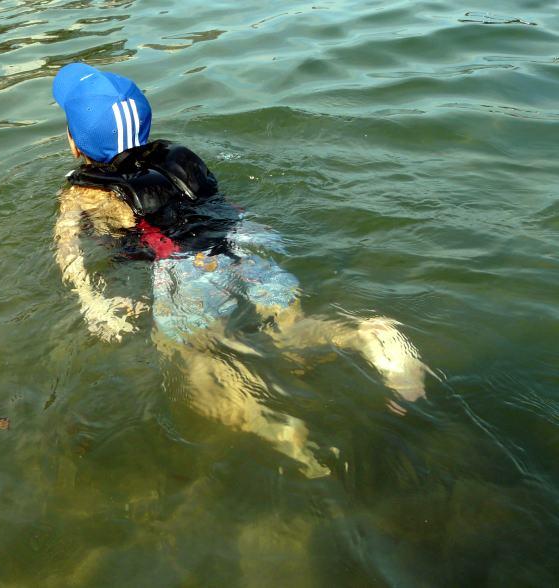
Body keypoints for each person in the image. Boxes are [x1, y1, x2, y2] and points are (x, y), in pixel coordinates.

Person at [52, 63, 427, 477]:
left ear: (75, 141)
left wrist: (93, 303)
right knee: (289, 332)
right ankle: (364, 334)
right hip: (246, 236)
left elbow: (68, 252)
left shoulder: (83, 193)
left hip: (190, 266)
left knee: (194, 359)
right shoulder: (177, 155)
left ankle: (274, 425)